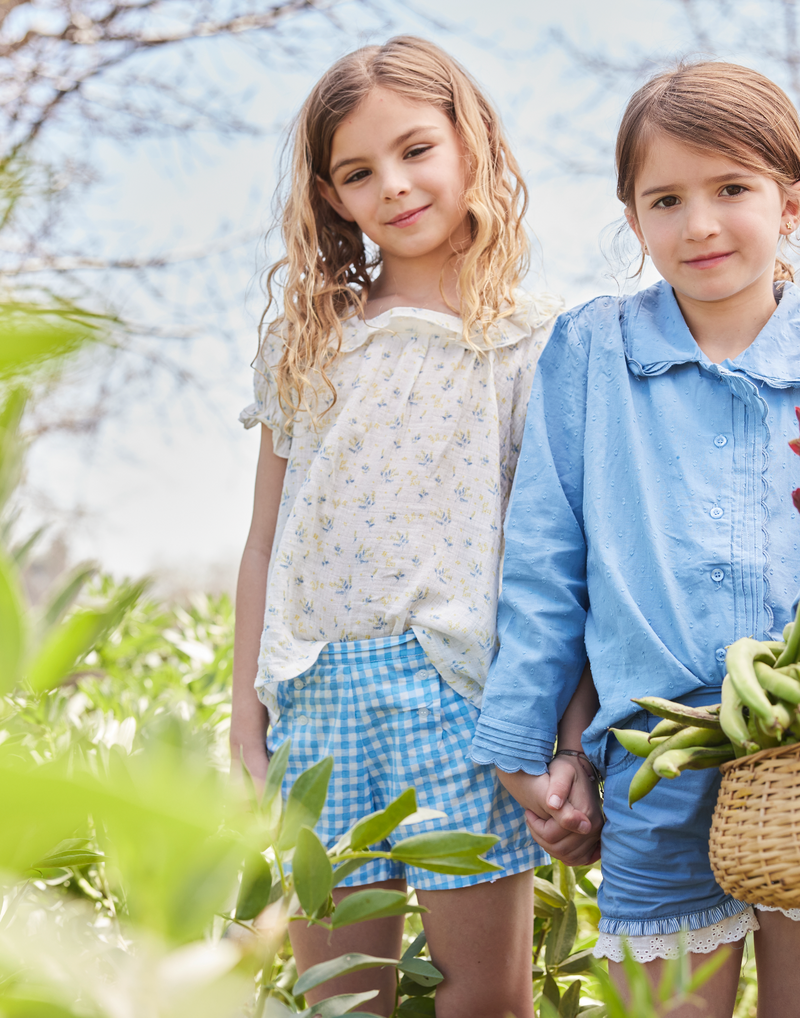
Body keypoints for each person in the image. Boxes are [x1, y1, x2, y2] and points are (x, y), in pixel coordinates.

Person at [230, 36, 568, 1018]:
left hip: (462, 694)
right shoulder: (310, 339)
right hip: (317, 690)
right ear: (332, 198)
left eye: (416, 149)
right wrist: (245, 714)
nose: (394, 184)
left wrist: (558, 723)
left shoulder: (532, 337)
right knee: (339, 995)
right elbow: (263, 541)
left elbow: (558, 552)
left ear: (471, 144)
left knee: (484, 998)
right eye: (358, 172)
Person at [471, 61, 800, 1018]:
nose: (699, 224)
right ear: (632, 217)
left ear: (789, 201)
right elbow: (545, 565)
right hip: (653, 752)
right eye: (666, 199)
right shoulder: (594, 351)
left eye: (731, 188)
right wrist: (528, 750)